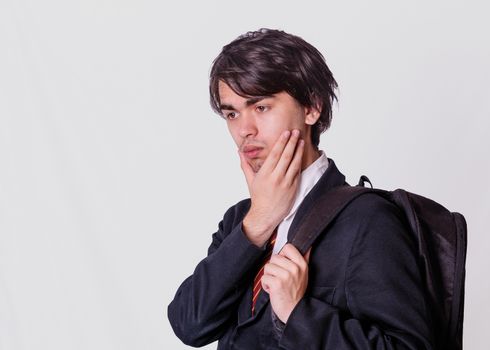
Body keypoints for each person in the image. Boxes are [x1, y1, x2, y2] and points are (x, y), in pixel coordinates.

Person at [168, 28, 434, 349]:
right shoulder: (242, 219)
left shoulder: (366, 220)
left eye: (261, 107)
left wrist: (297, 314)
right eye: (232, 113)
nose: (244, 130)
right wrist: (258, 223)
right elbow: (189, 326)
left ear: (312, 108)